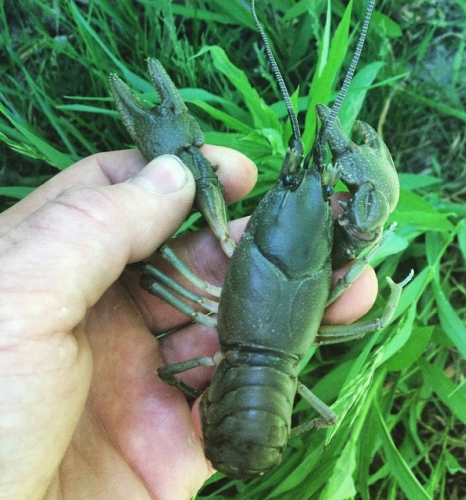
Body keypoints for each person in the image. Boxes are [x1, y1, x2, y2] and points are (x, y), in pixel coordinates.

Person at [0, 145, 377, 499]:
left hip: (244, 387)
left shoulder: (227, 260)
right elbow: (346, 281)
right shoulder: (329, 267)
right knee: (354, 290)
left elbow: (155, 285)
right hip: (258, 393)